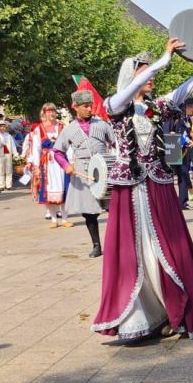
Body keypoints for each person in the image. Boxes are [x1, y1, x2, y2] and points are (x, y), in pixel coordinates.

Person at [94, 35, 193, 341]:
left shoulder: (156, 106)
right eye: (143, 71)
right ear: (131, 76)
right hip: (130, 189)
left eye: (149, 71)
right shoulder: (115, 105)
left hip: (158, 185)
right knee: (134, 251)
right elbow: (128, 92)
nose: (150, 76)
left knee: (169, 247)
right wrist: (163, 60)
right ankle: (144, 315)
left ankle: (176, 310)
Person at [60, 89, 111, 258]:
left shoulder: (102, 124)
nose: (90, 109)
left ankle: (117, 243)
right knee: (89, 212)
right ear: (75, 107)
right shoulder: (69, 129)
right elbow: (57, 151)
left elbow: (116, 143)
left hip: (104, 169)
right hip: (83, 172)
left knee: (113, 207)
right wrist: (66, 165)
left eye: (91, 105)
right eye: (86, 106)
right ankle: (96, 245)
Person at [24, 103, 69, 226]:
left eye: (52, 111)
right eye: (48, 111)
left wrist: (71, 162)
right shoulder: (39, 129)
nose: (51, 113)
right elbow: (36, 148)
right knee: (49, 189)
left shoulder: (62, 126)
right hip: (47, 164)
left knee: (64, 188)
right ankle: (54, 219)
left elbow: (69, 145)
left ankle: (65, 219)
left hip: (61, 161)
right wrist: (36, 166)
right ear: (44, 113)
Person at [0, 122, 18, 193]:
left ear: (5, 128)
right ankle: (1, 185)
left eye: (3, 127)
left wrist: (15, 154)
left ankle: (8, 185)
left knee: (9, 170)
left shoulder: (9, 136)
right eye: (0, 127)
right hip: (0, 154)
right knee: (0, 170)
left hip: (8, 154)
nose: (2, 128)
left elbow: (13, 145)